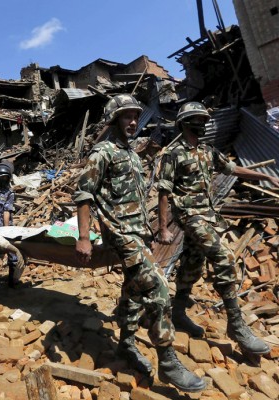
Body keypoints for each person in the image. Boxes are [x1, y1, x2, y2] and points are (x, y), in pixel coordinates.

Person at [74, 94, 205, 392]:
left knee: (133, 291)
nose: (133, 121)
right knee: (158, 288)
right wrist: (84, 237)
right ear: (113, 120)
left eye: (135, 116)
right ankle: (168, 362)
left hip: (138, 233)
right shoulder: (102, 152)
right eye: (126, 117)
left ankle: (126, 345)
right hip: (120, 234)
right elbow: (84, 194)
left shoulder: (132, 154)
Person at [158, 101, 279, 355]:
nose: (203, 124)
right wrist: (163, 228)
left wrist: (266, 176)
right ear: (184, 123)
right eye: (198, 120)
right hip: (190, 216)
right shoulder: (173, 153)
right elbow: (164, 191)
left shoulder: (207, 150)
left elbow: (232, 168)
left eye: (204, 119)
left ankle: (178, 312)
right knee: (224, 258)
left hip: (208, 215)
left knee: (192, 263)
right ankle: (235, 325)